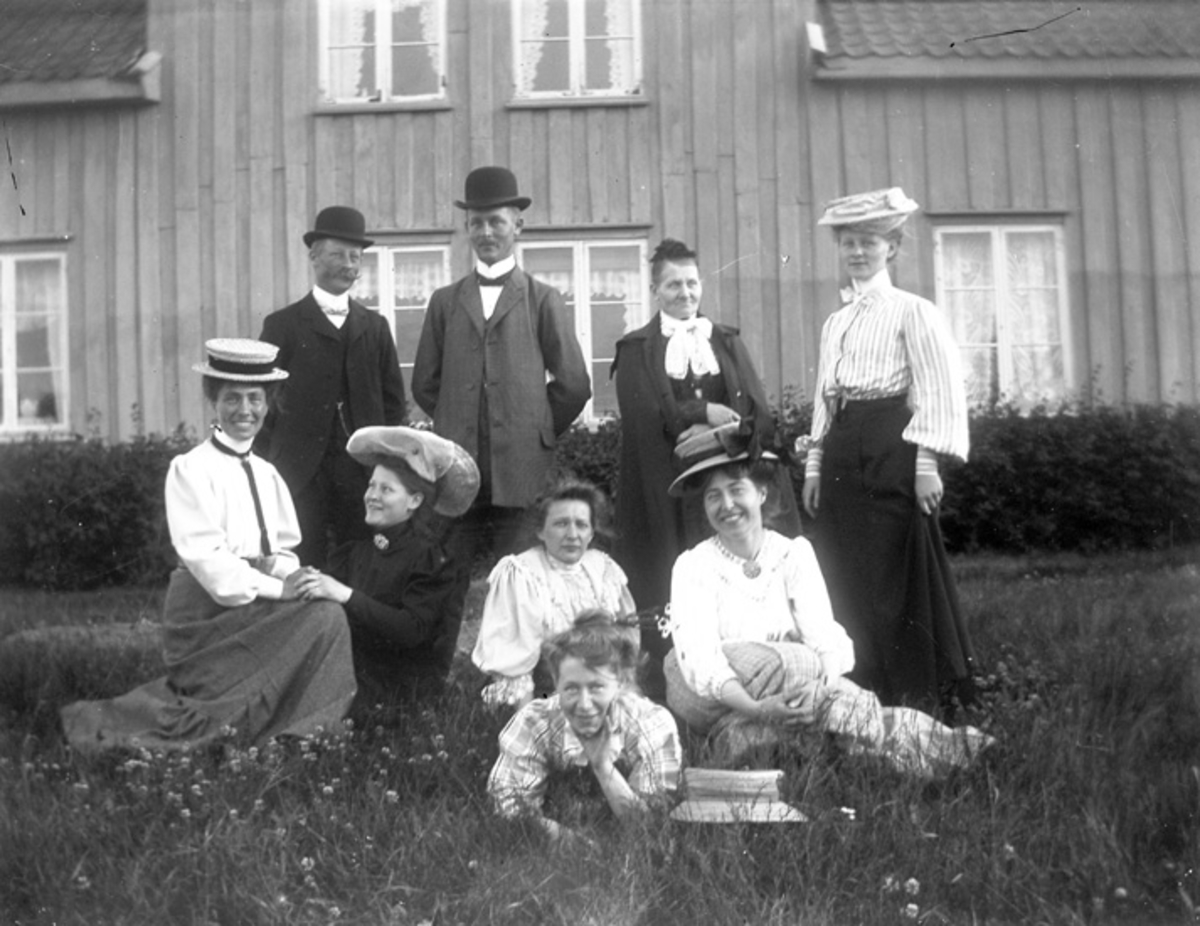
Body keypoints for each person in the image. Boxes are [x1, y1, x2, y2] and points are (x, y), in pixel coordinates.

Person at [60, 339, 356, 753]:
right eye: (232, 398)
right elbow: (211, 565)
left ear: (268, 404)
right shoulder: (190, 469)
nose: (245, 410)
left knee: (327, 613)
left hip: (254, 599)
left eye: (255, 398)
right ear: (212, 401)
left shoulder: (267, 474)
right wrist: (281, 588)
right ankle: (274, 727)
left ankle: (305, 731)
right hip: (205, 611)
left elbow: (278, 554)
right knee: (322, 620)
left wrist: (299, 577)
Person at [665, 425, 992, 776]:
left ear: (761, 492)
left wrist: (817, 691)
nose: (727, 505)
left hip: (798, 690)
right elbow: (701, 658)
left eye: (736, 489)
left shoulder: (793, 554)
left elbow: (822, 635)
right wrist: (759, 708)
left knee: (822, 702)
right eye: (713, 496)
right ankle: (903, 749)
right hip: (723, 697)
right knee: (795, 663)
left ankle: (941, 752)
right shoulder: (693, 566)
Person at [801, 188, 976, 711]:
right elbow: (825, 396)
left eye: (869, 242)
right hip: (842, 446)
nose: (857, 252)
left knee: (891, 570)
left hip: (891, 445)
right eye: (848, 243)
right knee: (842, 566)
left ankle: (915, 689)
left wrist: (926, 464)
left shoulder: (913, 312)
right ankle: (862, 686)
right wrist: (814, 464)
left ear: (892, 248)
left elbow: (937, 387)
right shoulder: (836, 321)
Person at [611, 238, 800, 683]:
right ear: (655, 290)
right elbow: (642, 415)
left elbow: (756, 410)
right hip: (669, 487)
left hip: (723, 480)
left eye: (692, 283)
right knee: (672, 571)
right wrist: (703, 412)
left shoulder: (725, 341)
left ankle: (747, 664)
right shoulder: (637, 348)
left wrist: (724, 429)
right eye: (673, 284)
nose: (685, 293)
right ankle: (676, 675)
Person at [411, 167, 591, 566]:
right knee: (448, 575)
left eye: (496, 222)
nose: (486, 232)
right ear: (466, 229)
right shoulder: (444, 301)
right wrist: (458, 418)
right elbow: (424, 383)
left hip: (522, 468)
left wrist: (535, 427)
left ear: (517, 226)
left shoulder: (543, 299)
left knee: (521, 572)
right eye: (476, 223)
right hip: (457, 466)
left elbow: (574, 384)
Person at [257, 206, 407, 569]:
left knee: (361, 556)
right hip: (299, 470)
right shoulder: (283, 325)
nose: (348, 265)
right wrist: (269, 463)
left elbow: (393, 404)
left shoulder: (375, 327)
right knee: (300, 557)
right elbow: (262, 400)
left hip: (360, 470)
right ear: (314, 256)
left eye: (355, 257)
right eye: (338, 255)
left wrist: (385, 462)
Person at [294, 425, 480, 702]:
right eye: (371, 485)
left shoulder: (431, 559)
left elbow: (411, 630)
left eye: (386, 489)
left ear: (414, 500)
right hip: (354, 670)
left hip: (401, 687)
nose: (372, 496)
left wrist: (345, 595)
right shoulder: (359, 549)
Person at [487, 610, 681, 842]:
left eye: (596, 687)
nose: (584, 704)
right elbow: (510, 806)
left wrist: (602, 767)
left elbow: (649, 827)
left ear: (620, 683)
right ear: (556, 682)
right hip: (557, 842)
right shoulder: (534, 722)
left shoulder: (651, 724)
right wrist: (567, 840)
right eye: (571, 689)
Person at [471, 480, 635, 708]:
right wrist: (530, 720)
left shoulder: (604, 568)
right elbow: (516, 660)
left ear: (591, 532)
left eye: (581, 525)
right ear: (540, 531)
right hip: (545, 693)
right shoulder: (522, 574)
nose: (572, 534)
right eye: (561, 524)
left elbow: (625, 642)